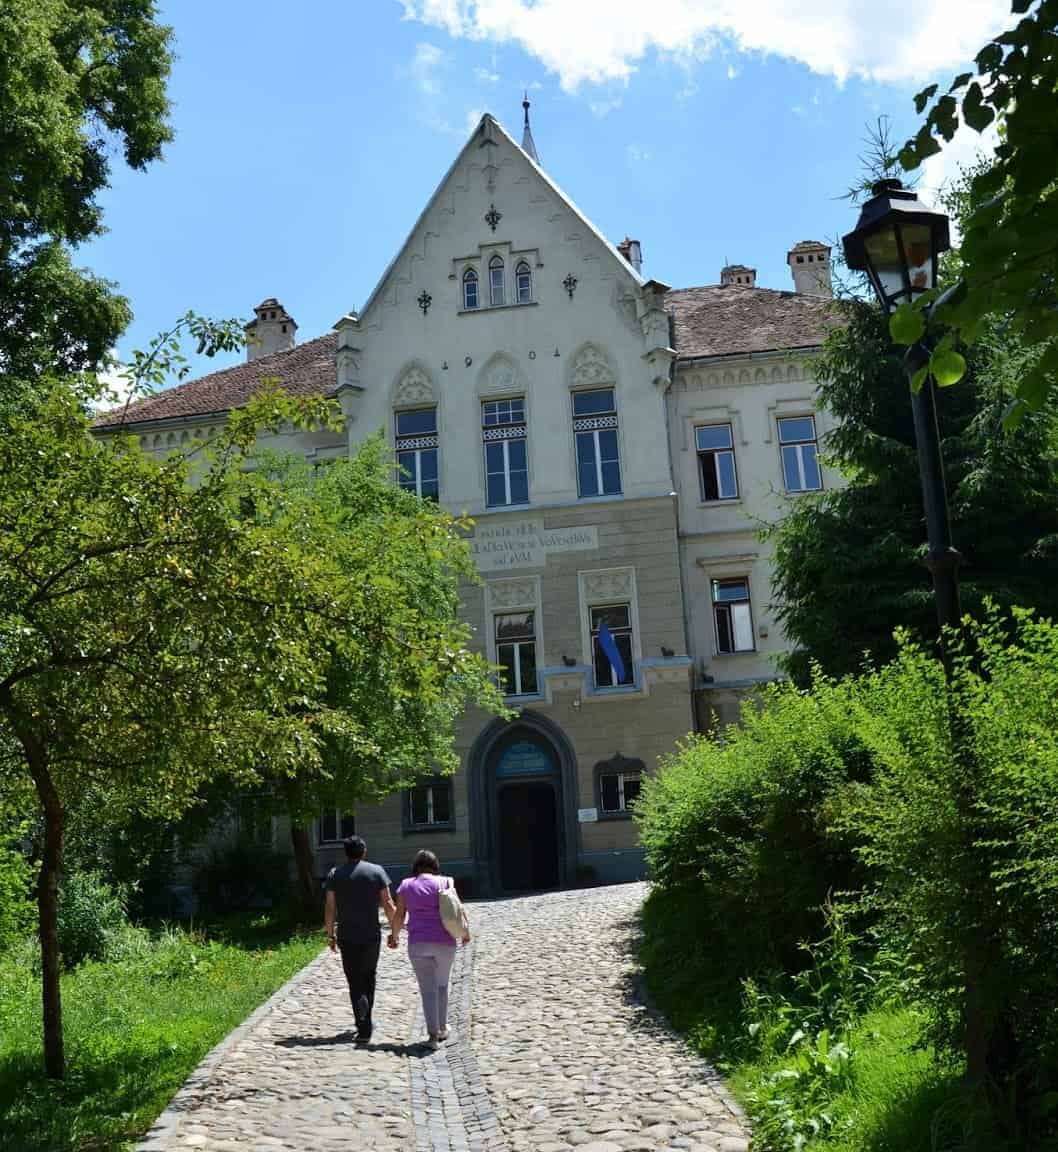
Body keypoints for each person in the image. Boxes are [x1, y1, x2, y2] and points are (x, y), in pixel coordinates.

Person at [389, 850, 470, 1049]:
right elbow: (458, 908)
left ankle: (433, 1037)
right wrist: (466, 931)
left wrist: (394, 935)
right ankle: (442, 1028)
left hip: (418, 943)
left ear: (415, 867)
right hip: (445, 941)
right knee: (442, 984)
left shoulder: (406, 885)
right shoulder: (446, 882)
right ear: (436, 866)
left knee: (427, 989)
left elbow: (399, 915)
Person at [324, 835, 396, 1042]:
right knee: (369, 975)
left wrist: (330, 934)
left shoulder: (334, 874)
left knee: (354, 979)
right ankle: (367, 1021)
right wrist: (395, 930)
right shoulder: (376, 872)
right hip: (371, 934)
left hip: (347, 935)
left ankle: (362, 1023)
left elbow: (330, 907)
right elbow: (388, 903)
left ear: (346, 853)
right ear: (364, 851)